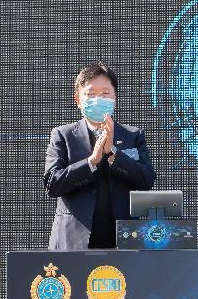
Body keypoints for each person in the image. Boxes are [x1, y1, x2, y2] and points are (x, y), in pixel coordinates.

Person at [44, 63, 156, 249]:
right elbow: (52, 184)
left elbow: (146, 180)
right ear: (78, 100)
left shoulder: (133, 135)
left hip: (123, 241)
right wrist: (91, 162)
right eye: (90, 94)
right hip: (73, 242)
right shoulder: (63, 135)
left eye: (105, 94)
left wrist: (113, 154)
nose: (98, 99)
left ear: (115, 98)